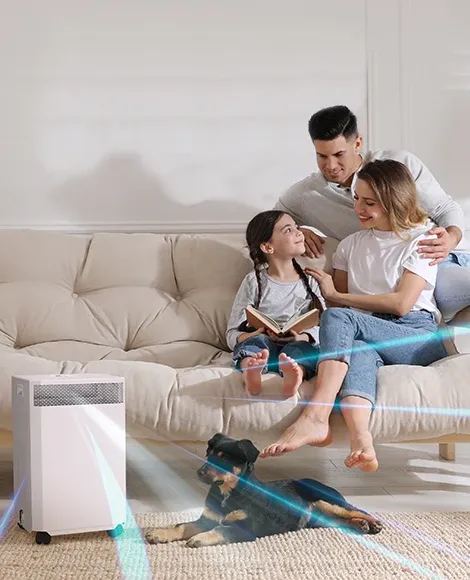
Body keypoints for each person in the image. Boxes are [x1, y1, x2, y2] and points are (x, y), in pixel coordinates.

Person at [262, 159, 449, 471]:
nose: (359, 209)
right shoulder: (350, 246)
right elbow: (339, 313)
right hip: (368, 331)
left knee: (345, 321)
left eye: (370, 202)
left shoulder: (423, 240)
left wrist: (336, 297)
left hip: (416, 335)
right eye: (356, 199)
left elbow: (403, 303)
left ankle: (315, 415)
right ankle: (362, 440)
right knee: (356, 349)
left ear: (394, 201)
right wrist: (324, 298)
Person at [274, 105, 470, 323]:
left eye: (339, 154)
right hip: (391, 279)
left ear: (357, 143)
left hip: (434, 259)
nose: (331, 166)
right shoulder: (307, 195)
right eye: (322, 156)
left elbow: (445, 208)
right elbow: (268, 224)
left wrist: (451, 238)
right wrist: (296, 229)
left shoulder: (398, 164)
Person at [226, 210, 326, 398]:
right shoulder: (253, 282)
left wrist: (303, 337)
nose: (299, 233)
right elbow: (231, 333)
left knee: (303, 351)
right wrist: (253, 334)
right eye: (289, 230)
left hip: (297, 343)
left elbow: (326, 328)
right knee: (256, 344)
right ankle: (251, 369)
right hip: (263, 342)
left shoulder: (310, 281)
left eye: (297, 228)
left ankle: (295, 375)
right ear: (268, 247)